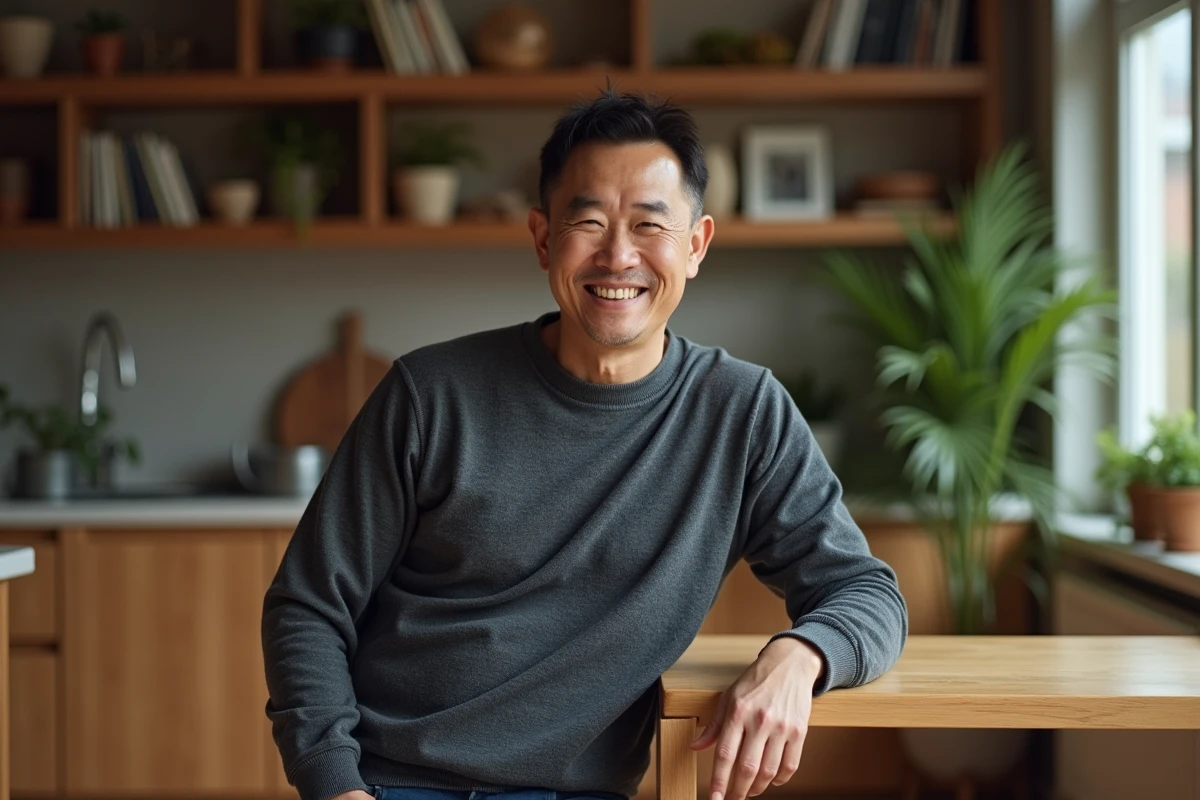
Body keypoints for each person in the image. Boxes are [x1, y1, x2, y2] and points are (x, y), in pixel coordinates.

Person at [262, 89, 907, 800]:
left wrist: (799, 655)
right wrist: (336, 787)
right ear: (543, 238)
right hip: (392, 781)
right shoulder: (431, 393)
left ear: (696, 246)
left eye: (649, 225)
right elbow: (309, 605)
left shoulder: (742, 413)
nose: (618, 254)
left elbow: (865, 591)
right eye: (589, 220)